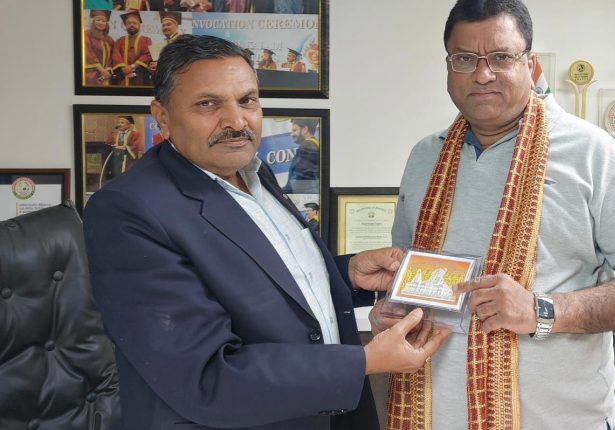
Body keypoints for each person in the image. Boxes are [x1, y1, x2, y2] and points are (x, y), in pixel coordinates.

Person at [83, 34, 450, 430]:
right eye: (208, 104)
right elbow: (206, 375)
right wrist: (366, 360)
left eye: (247, 100)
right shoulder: (129, 210)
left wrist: (347, 275)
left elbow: (262, 278)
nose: (236, 122)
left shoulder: (252, 171)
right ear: (163, 116)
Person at [370, 1, 615, 429]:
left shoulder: (592, 153)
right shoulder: (424, 157)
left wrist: (541, 310)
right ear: (448, 67)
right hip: (428, 415)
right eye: (465, 59)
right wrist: (391, 310)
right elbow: (407, 273)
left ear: (530, 66)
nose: (483, 74)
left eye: (501, 57)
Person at [111, 11, 153, 86]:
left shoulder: (147, 40)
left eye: (134, 23)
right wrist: (125, 69)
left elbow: (147, 54)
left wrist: (132, 67)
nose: (131, 25)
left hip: (141, 77)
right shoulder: (119, 41)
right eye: (129, 23)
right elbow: (116, 55)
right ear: (125, 25)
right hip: (123, 77)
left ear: (139, 25)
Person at [282, 118, 319, 194]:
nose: (292, 134)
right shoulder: (315, 144)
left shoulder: (307, 146)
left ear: (305, 129)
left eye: (294, 130)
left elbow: (298, 179)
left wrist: (280, 193)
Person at [84, 10, 115, 86]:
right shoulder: (86, 35)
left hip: (106, 76)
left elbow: (113, 55)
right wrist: (102, 70)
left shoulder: (109, 39)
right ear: (92, 22)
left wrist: (108, 70)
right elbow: (89, 54)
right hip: (91, 75)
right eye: (98, 20)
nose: (101, 23)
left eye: (104, 21)